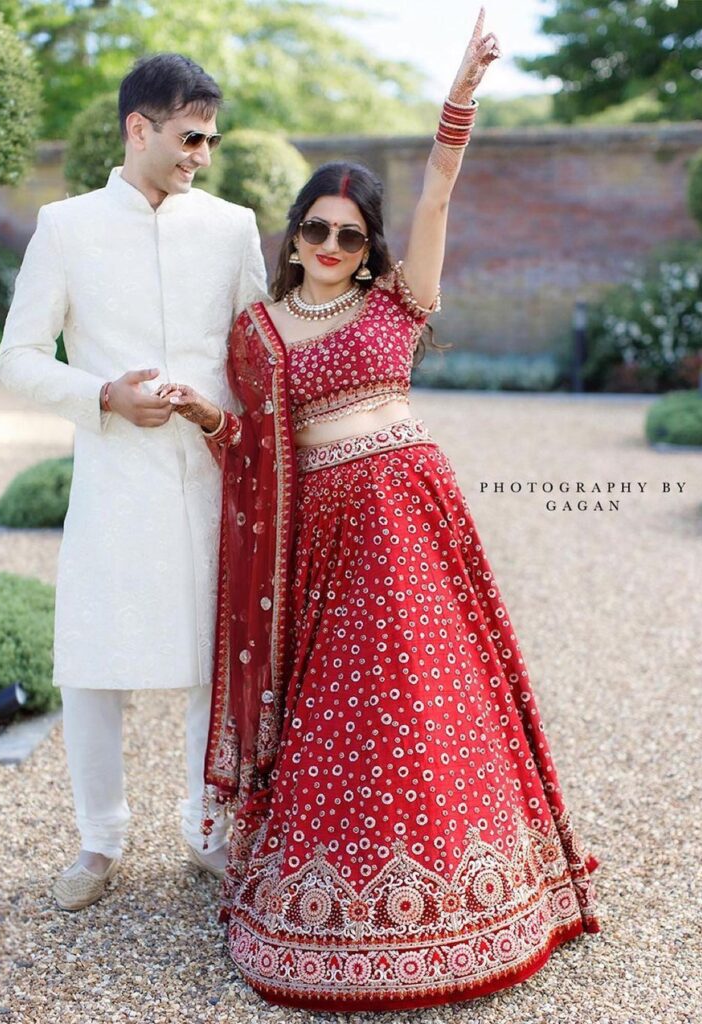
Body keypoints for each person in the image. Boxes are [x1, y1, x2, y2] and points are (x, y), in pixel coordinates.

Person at [163, 8, 601, 1012]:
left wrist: (460, 94)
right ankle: (330, 905)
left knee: (434, 686)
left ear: (368, 248)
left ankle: (471, 896)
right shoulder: (256, 331)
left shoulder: (400, 303)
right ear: (296, 233)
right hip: (323, 538)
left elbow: (442, 188)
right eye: (313, 227)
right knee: (340, 708)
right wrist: (201, 417)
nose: (326, 243)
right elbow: (255, 455)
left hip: (413, 515)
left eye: (347, 234)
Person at [0, 53, 267, 911]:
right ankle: (99, 839)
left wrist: (221, 419)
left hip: (206, 474)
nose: (204, 153)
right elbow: (18, 358)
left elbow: (257, 358)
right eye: (191, 136)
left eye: (213, 138)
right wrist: (101, 396)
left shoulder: (232, 227)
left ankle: (204, 832)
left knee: (207, 665)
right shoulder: (65, 226)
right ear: (137, 128)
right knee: (90, 664)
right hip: (111, 476)